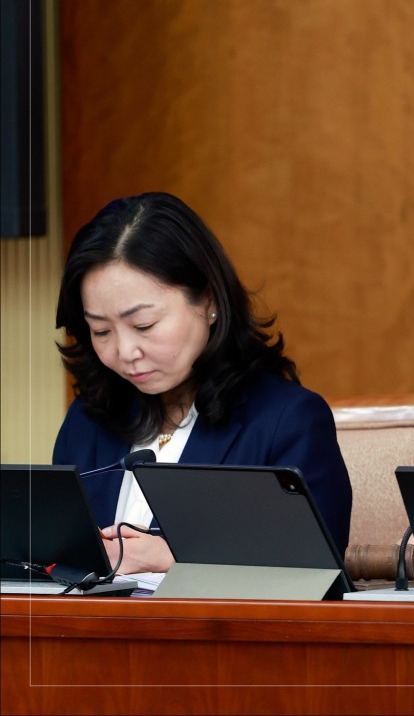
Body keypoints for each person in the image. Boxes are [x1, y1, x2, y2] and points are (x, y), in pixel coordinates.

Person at [53, 192, 352, 575]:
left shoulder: (286, 422)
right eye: (101, 331)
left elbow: (317, 576)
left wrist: (173, 557)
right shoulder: (87, 421)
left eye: (144, 325)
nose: (125, 351)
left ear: (209, 301)